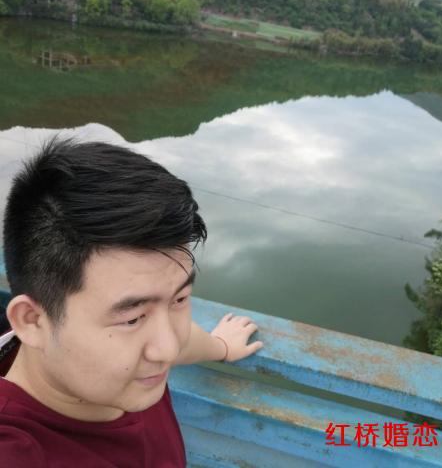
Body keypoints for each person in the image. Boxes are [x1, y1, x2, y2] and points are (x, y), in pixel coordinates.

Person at [0, 137, 263, 467]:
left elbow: (183, 343)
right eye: (132, 319)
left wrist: (221, 347)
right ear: (32, 321)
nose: (168, 350)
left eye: (180, 298)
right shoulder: (18, 450)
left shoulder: (127, 363)